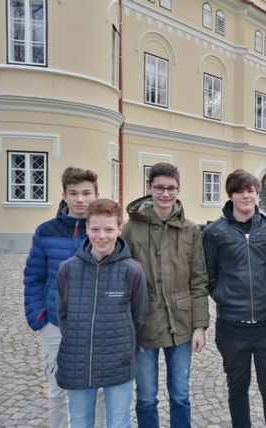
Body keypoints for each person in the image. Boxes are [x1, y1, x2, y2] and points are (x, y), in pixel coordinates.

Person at [122, 162, 209, 428]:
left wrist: (200, 326)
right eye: (159, 187)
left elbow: (199, 279)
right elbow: (123, 278)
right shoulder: (131, 229)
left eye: (171, 188)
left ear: (178, 190)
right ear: (149, 189)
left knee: (180, 395)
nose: (165, 194)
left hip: (181, 324)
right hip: (144, 323)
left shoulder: (191, 230)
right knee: (146, 397)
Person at [203, 169, 266, 428]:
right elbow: (209, 274)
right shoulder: (214, 232)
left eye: (250, 190)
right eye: (240, 191)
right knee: (237, 388)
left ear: (257, 193)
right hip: (232, 326)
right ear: (231, 195)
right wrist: (223, 295)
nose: (246, 195)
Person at [23, 167, 106, 427]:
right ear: (64, 195)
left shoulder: (104, 231)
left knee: (99, 390)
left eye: (86, 193)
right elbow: (34, 277)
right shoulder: (46, 231)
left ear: (96, 194)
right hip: (55, 324)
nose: (80, 199)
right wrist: (39, 317)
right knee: (58, 391)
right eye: (74, 193)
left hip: (95, 325)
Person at [56, 199, 147, 428]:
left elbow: (138, 315)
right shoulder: (68, 269)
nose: (102, 236)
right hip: (77, 360)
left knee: (118, 422)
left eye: (109, 229)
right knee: (79, 422)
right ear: (87, 229)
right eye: (95, 229)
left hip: (118, 360)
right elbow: (63, 314)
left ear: (119, 229)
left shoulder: (132, 270)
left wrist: (125, 345)